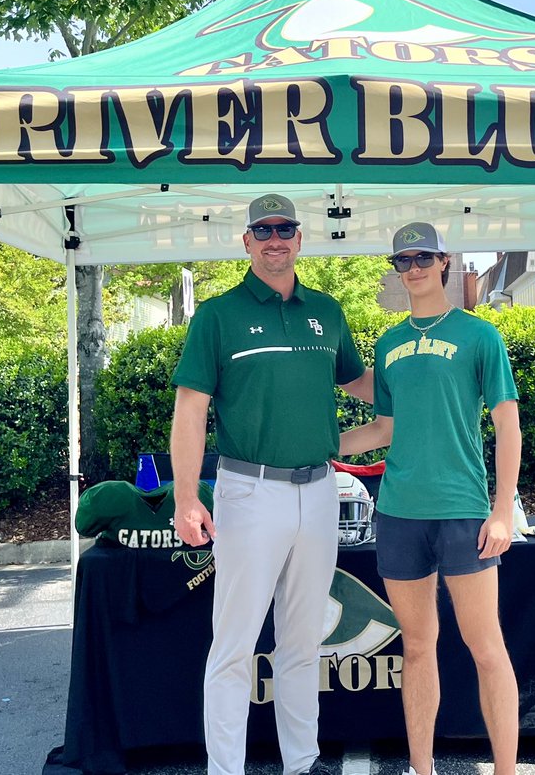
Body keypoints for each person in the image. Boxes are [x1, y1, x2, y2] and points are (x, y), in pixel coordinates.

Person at [169, 193, 373, 775]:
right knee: (234, 647)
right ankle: (225, 770)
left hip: (319, 490)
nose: (275, 239)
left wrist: (425, 380)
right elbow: (190, 410)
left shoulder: (327, 312)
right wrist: (187, 499)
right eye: (264, 231)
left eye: (286, 229)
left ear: (301, 238)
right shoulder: (217, 315)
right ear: (248, 242)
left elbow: (359, 382)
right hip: (249, 493)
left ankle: (301, 762)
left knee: (303, 645)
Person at [339, 221, 522, 775]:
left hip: (463, 510)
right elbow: (383, 429)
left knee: (485, 646)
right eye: (403, 261)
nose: (413, 268)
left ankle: (506, 770)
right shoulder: (389, 343)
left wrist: (502, 509)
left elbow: (508, 427)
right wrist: (314, 445)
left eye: (423, 258)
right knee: (418, 648)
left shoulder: (480, 336)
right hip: (398, 513)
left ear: (444, 262)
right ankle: (423, 768)